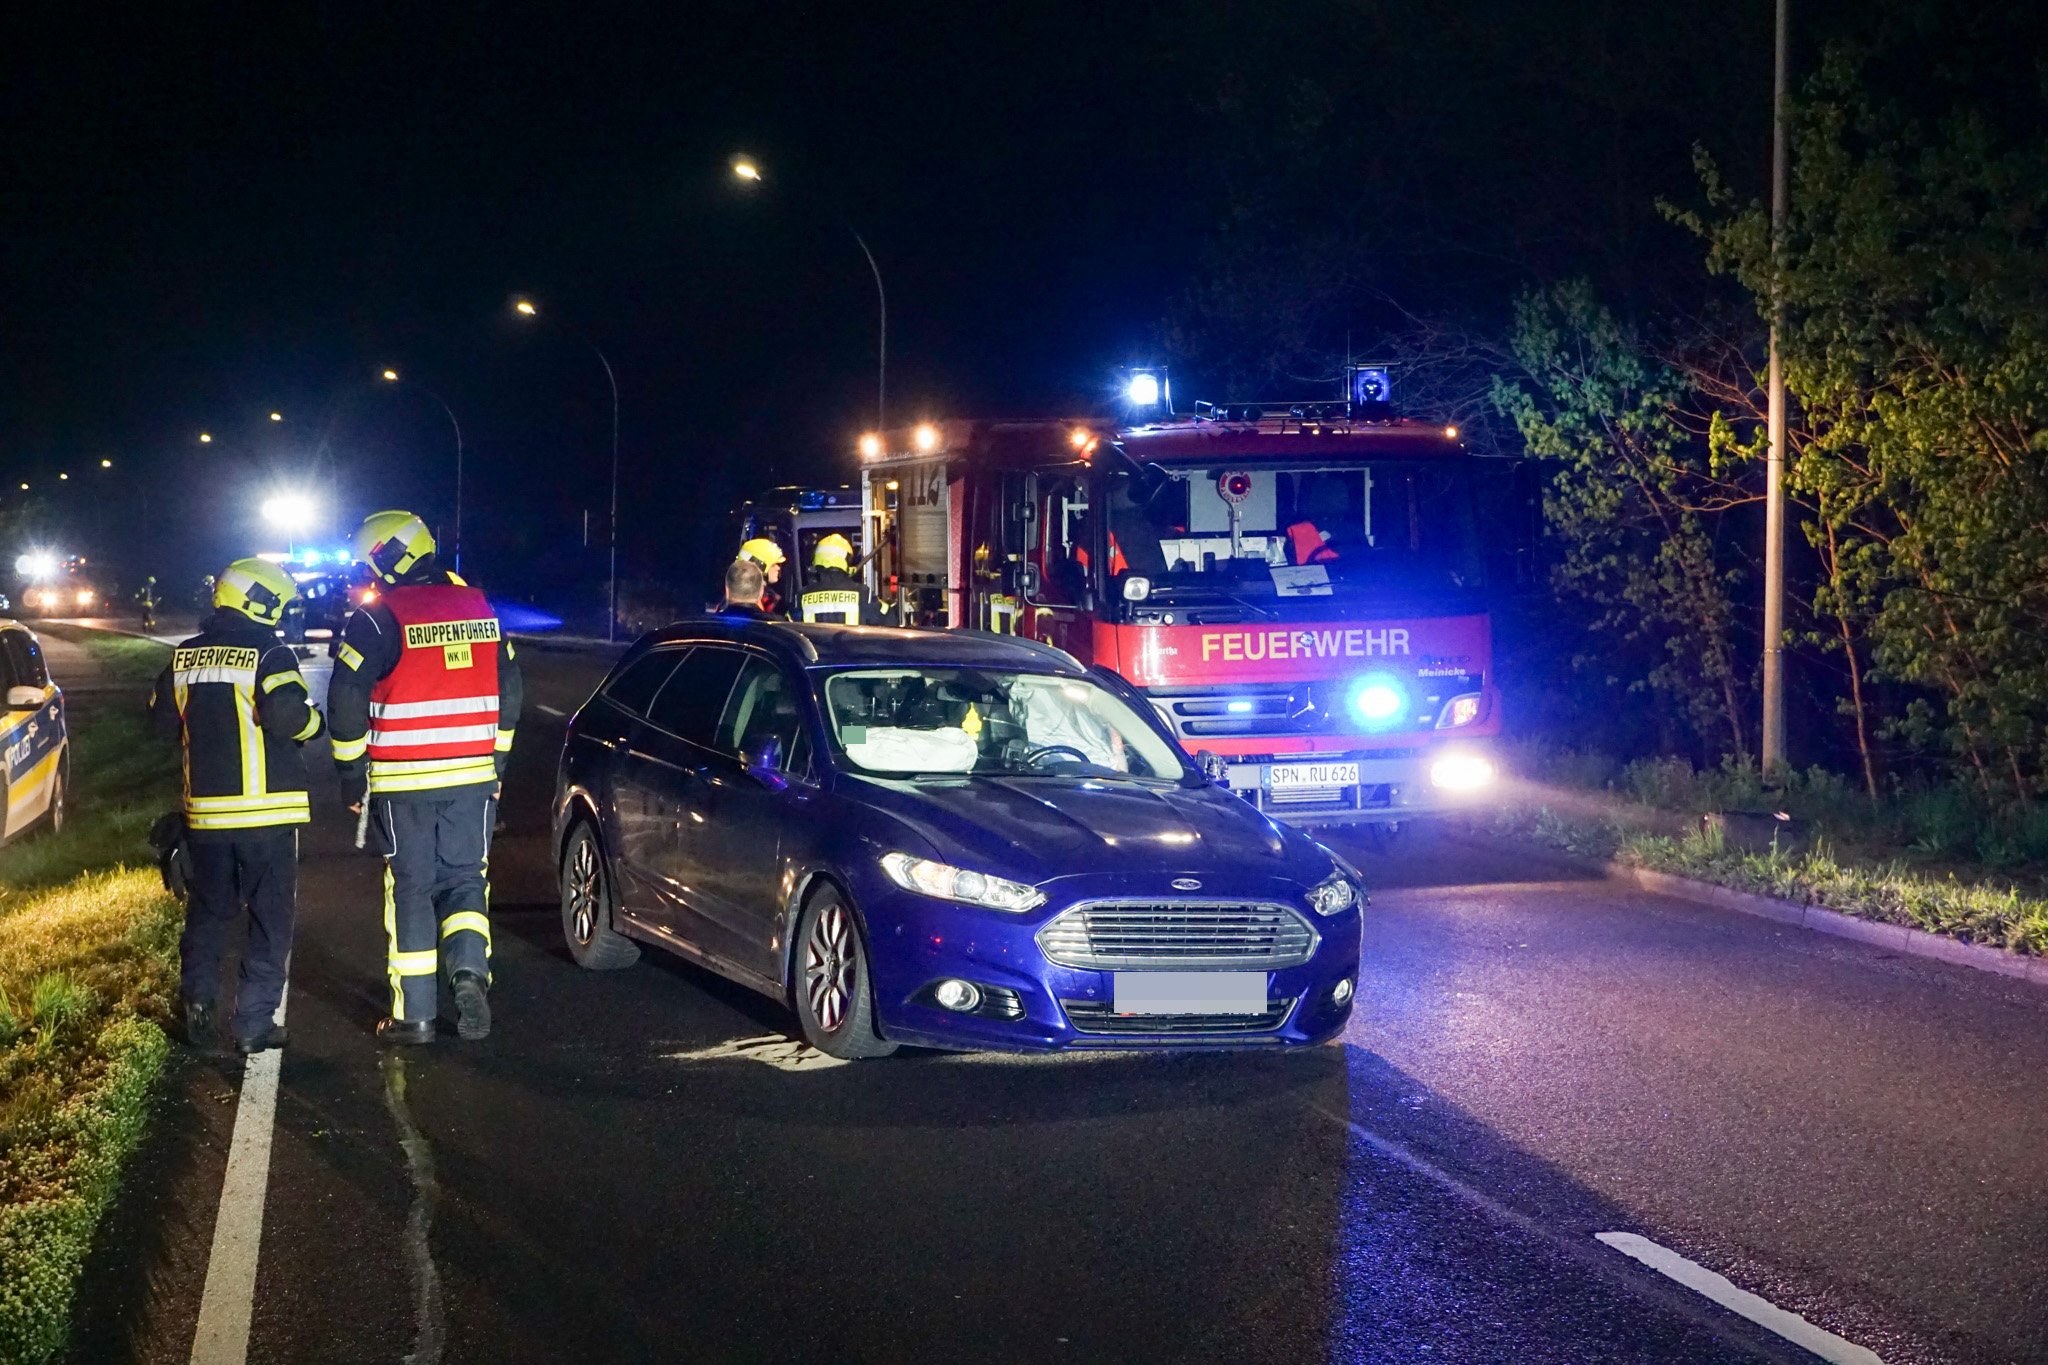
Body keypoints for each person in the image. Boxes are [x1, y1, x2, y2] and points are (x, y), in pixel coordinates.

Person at [326, 511, 521, 1046]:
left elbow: (345, 699)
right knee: (465, 880)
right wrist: (498, 765)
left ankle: (415, 1016)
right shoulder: (480, 607)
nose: (369, 573)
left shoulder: (376, 617)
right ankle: (469, 974)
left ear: (388, 558)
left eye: (371, 563)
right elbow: (511, 690)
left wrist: (351, 775)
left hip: (403, 780)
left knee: (411, 887)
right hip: (473, 778)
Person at [149, 558, 323, 1054]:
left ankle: (198, 999)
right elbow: (287, 716)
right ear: (259, 602)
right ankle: (253, 1023)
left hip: (206, 817)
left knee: (208, 912)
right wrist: (316, 724)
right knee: (270, 919)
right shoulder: (271, 652)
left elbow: (160, 726)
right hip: (268, 815)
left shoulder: (183, 657)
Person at [795, 533, 887, 624]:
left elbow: (790, 625)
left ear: (816, 560)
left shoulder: (801, 597)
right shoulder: (864, 594)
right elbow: (887, 617)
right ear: (847, 560)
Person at [738, 536, 787, 613]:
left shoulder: (769, 600)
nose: (778, 568)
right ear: (759, 565)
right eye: (774, 564)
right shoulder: (744, 603)